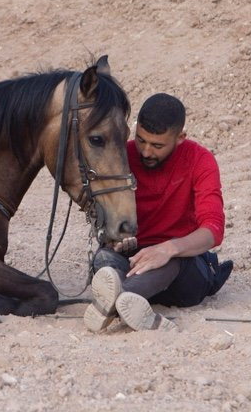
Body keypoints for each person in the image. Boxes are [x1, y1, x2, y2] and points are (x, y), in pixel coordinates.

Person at [84, 93, 233, 332]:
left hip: (183, 273)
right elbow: (101, 206)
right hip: (135, 261)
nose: (146, 152)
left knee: (171, 258)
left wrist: (167, 249)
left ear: (180, 138)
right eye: (141, 140)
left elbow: (213, 230)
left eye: (157, 146)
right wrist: (114, 237)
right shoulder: (123, 156)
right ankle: (131, 304)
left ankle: (115, 300)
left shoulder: (200, 160)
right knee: (104, 258)